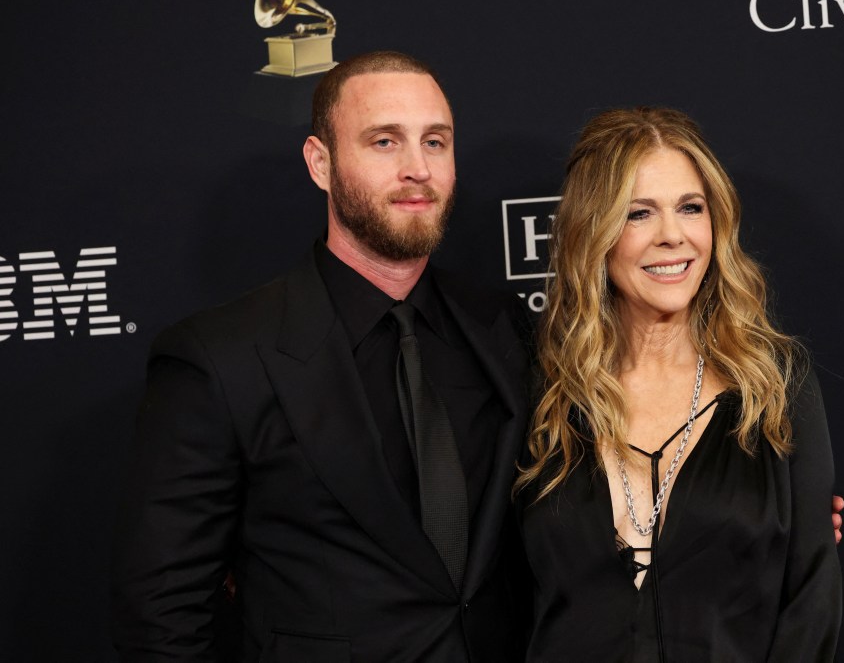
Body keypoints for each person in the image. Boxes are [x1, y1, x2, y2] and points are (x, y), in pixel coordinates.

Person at [111, 51, 532, 662]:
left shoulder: (501, 324)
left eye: (435, 142)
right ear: (321, 164)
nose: (418, 168)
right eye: (385, 141)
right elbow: (160, 614)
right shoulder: (219, 358)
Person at [516, 107, 842, 661]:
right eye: (638, 213)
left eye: (691, 208)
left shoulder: (776, 385)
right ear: (593, 230)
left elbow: (811, 600)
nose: (673, 236)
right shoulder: (543, 394)